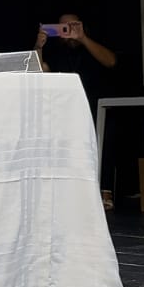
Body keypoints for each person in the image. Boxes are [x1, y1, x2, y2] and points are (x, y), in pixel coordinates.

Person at [36, 13, 124, 209]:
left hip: (95, 105)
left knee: (106, 129)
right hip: (64, 109)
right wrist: (39, 47)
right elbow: (41, 71)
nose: (67, 30)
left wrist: (82, 38)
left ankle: (105, 190)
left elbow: (111, 61)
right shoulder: (56, 52)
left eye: (71, 25)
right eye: (62, 27)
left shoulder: (91, 46)